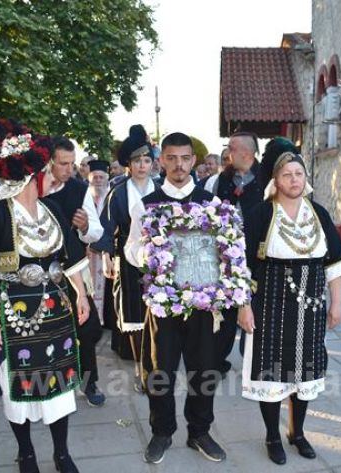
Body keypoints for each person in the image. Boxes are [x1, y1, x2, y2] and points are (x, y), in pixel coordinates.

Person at [0, 118, 89, 473]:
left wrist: (80, 295)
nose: (51, 175)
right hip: (15, 316)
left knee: (61, 386)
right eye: (45, 171)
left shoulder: (51, 211)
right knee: (17, 387)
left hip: (56, 312)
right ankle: (27, 453)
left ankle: (62, 453)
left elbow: (71, 258)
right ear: (31, 176)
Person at [238, 138, 341, 465]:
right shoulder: (261, 214)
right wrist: (244, 306)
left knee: (306, 372)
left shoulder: (319, 213)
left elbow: (335, 262)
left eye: (298, 174)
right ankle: (273, 436)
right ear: (276, 180)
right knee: (272, 374)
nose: (294, 180)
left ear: (305, 178)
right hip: (270, 306)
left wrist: (337, 303)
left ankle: (297, 432)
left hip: (311, 306)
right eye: (287, 175)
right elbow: (241, 264)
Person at [125, 132, 227, 464]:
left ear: (193, 161)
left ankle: (199, 431)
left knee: (204, 370)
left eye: (184, 158)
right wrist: (150, 252)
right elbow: (130, 250)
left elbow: (225, 250)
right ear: (161, 161)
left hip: (201, 303)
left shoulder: (210, 203)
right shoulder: (148, 204)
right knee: (160, 370)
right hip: (164, 303)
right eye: (171, 158)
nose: (179, 164)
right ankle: (162, 432)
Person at [91, 125, 157, 392]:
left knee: (160, 312)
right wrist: (107, 257)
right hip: (128, 259)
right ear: (128, 164)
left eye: (147, 160)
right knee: (132, 312)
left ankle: (158, 363)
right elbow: (107, 226)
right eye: (137, 161)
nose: (143, 165)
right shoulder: (118, 192)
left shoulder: (162, 189)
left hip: (159, 261)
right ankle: (142, 369)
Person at [47, 136, 106, 407]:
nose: (69, 170)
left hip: (71, 270)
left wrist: (84, 228)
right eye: (63, 164)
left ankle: (88, 382)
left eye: (72, 163)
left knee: (87, 327)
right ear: (49, 162)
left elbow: (96, 230)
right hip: (37, 274)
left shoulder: (78, 188)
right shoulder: (31, 188)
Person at [208, 132, 266, 375]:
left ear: (246, 153)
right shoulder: (221, 180)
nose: (227, 153)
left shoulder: (267, 178)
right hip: (226, 255)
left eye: (231, 148)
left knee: (257, 306)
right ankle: (218, 361)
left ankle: (255, 359)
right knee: (226, 307)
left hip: (259, 254)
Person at [84, 160, 109, 323]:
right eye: (95, 177)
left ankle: (105, 319)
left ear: (107, 179)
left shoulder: (111, 196)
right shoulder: (82, 196)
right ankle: (92, 319)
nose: (98, 180)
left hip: (106, 251)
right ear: (89, 178)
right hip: (86, 251)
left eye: (101, 177)